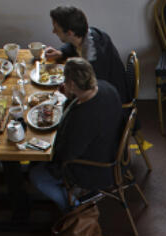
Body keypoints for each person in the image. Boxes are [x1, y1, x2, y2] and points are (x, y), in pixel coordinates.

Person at [29, 58, 124, 211]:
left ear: (72, 84)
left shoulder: (83, 118)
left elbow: (67, 155)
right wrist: (69, 96)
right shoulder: (107, 87)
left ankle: (72, 207)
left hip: (95, 169)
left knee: (37, 176)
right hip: (112, 151)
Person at [43, 6, 131, 101]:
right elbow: (72, 45)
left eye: (56, 29)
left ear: (69, 33)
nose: (53, 31)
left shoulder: (94, 57)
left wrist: (69, 92)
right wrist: (61, 52)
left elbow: (91, 91)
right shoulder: (87, 34)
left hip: (111, 100)